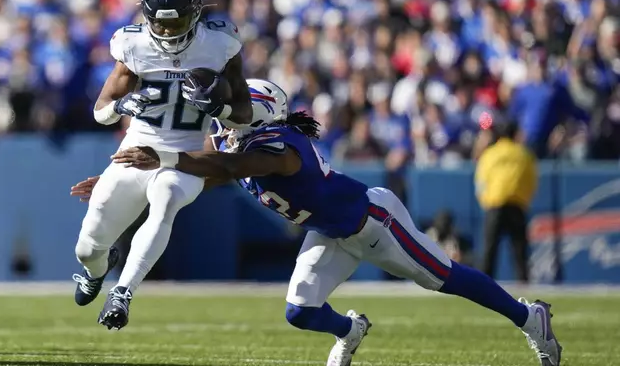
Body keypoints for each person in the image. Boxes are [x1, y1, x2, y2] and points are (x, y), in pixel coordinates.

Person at [73, 80, 562, 366]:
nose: (223, 119)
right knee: (300, 311)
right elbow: (208, 170)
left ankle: (528, 318)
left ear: (259, 113)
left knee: (445, 278)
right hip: (330, 232)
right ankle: (350, 329)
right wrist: (125, 179)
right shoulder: (240, 146)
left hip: (374, 221)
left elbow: (224, 168)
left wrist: (161, 157)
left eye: (234, 112)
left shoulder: (280, 148)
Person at [73, 0, 252, 331]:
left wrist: (219, 110)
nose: (168, 33)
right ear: (148, 16)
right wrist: (124, 104)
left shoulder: (220, 44)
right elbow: (100, 111)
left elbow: (244, 115)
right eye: (160, 24)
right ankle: (99, 267)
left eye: (177, 23)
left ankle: (123, 292)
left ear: (196, 13)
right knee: (86, 247)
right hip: (136, 151)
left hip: (185, 156)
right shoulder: (134, 45)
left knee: (166, 197)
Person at [475, 121, 538, 283]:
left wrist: (485, 201)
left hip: (494, 205)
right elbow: (531, 181)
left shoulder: (490, 153)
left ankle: (484, 286)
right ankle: (524, 285)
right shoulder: (523, 153)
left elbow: (481, 181)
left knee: (489, 251)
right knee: (519, 252)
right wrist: (525, 199)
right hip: (516, 205)